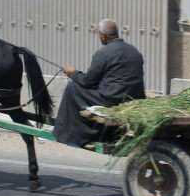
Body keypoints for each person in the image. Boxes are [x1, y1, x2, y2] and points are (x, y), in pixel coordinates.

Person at [53, 19, 145, 147]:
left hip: (112, 99)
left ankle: (68, 134)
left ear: (103, 35)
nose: (99, 36)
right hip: (132, 99)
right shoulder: (134, 51)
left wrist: (73, 73)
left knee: (73, 87)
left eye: (99, 34)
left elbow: (88, 81)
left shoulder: (103, 53)